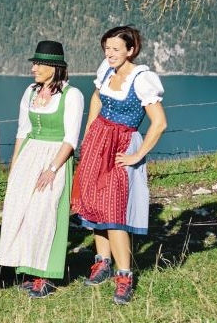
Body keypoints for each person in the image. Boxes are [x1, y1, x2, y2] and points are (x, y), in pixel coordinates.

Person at [72, 25, 167, 305]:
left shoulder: (141, 79)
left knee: (114, 211)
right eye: (107, 48)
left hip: (121, 146)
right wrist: (89, 133)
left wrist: (137, 156)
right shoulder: (106, 70)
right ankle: (102, 262)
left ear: (131, 50)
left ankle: (124, 276)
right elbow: (97, 98)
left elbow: (159, 123)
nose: (109, 53)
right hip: (97, 141)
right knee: (94, 206)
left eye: (115, 49)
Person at [0, 41, 84, 298]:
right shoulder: (30, 92)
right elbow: (23, 131)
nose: (33, 68)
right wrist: (14, 166)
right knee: (22, 210)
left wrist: (52, 168)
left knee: (45, 212)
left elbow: (71, 139)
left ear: (54, 67)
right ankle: (27, 267)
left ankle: (47, 273)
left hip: (54, 156)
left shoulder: (72, 95)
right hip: (29, 154)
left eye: (38, 64)